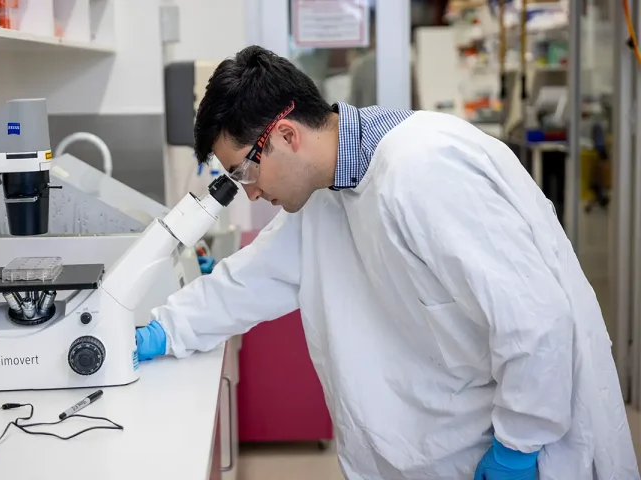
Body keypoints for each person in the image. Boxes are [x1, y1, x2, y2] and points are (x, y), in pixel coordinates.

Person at [134, 46, 639, 479]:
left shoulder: (426, 169)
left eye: (244, 170)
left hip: (515, 453)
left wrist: (520, 446)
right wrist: (157, 332)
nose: (250, 190)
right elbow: (246, 282)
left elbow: (535, 321)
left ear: (286, 135)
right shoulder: (326, 196)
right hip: (434, 451)